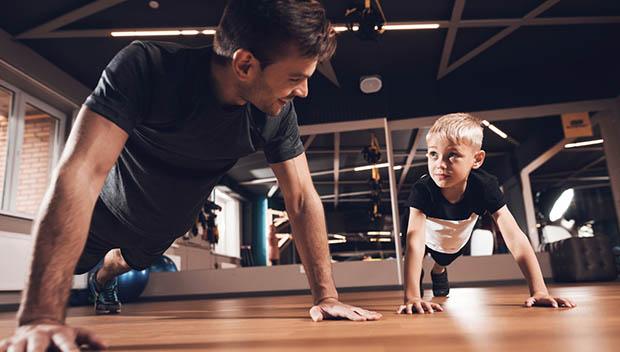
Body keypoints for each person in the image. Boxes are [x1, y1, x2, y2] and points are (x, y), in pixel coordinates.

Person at [0, 1, 381, 351]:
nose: (304, 90)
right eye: (296, 77)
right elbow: (82, 171)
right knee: (77, 265)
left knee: (120, 264)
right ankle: (94, 274)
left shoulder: (274, 116)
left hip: (162, 228)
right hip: (104, 213)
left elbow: (300, 199)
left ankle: (104, 280)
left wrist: (325, 296)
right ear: (245, 64)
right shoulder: (146, 68)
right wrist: (41, 317)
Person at [397, 113, 576, 315]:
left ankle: (438, 271)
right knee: (417, 253)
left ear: (477, 159)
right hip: (425, 233)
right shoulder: (423, 189)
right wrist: (412, 297)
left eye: (452, 155)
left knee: (445, 258)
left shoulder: (485, 186)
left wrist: (539, 291)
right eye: (433, 154)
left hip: (455, 237)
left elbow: (515, 237)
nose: (440, 164)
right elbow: (415, 242)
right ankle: (419, 276)